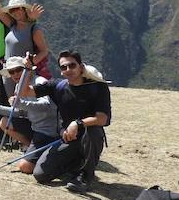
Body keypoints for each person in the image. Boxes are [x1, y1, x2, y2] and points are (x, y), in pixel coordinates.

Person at [19, 50, 111, 192]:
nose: (68, 70)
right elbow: (24, 92)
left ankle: (85, 176)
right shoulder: (58, 86)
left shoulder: (98, 87)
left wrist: (78, 123)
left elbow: (102, 118)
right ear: (61, 71)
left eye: (72, 65)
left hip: (89, 136)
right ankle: (77, 164)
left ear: (81, 67)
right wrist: (27, 68)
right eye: (63, 67)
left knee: (93, 131)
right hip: (67, 138)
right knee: (40, 175)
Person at [0, 56, 60, 174]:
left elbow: (46, 106)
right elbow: (17, 112)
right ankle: (32, 150)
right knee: (4, 122)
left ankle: (44, 154)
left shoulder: (40, 82)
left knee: (25, 167)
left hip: (47, 131)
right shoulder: (19, 86)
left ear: (28, 70)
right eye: (12, 72)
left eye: (19, 70)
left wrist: (22, 103)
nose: (15, 74)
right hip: (34, 127)